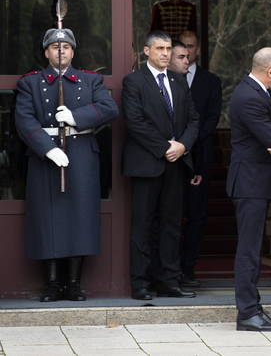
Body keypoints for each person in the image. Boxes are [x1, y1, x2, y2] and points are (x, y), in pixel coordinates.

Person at [15, 28, 119, 302]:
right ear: (45, 52)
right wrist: (47, 149)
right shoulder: (31, 83)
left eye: (66, 47)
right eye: (54, 46)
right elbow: (24, 120)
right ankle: (51, 284)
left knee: (79, 218)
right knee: (46, 218)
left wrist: (76, 117)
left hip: (82, 154)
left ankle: (73, 284)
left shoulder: (91, 80)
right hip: (44, 157)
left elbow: (110, 109)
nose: (61, 50)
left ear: (73, 52)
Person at [121, 30, 200, 301]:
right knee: (143, 225)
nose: (166, 54)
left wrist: (182, 146)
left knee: (170, 225)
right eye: (160, 49)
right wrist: (166, 147)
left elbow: (193, 120)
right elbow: (135, 122)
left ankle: (168, 281)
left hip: (176, 164)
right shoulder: (133, 82)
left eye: (168, 49)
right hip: (147, 163)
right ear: (146, 51)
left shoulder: (180, 82)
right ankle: (141, 283)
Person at [227, 47, 271, 331]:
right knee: (248, 251)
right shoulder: (250, 96)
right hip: (250, 183)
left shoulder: (256, 90)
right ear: (270, 71)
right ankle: (247, 313)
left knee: (252, 249)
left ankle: (253, 308)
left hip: (255, 183)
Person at [177, 31, 222, 286]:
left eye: (190, 46)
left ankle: (189, 266)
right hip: (171, 157)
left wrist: (187, 142)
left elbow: (212, 119)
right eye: (182, 46)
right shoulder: (168, 78)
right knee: (169, 214)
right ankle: (168, 267)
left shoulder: (211, 81)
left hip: (200, 156)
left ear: (198, 50)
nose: (187, 51)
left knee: (197, 214)